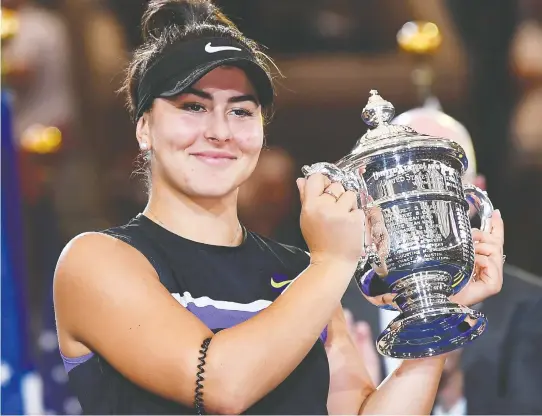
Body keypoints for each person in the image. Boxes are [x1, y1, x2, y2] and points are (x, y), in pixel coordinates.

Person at [52, 1, 505, 414]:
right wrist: (331, 262)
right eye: (193, 106)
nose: (219, 131)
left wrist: (436, 318)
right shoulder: (97, 261)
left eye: (241, 111)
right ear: (144, 128)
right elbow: (221, 385)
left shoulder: (303, 275)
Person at [342, 106, 542, 415]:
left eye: (441, 177)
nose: (420, 200)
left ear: (475, 195)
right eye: (401, 179)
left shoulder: (531, 308)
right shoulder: (337, 312)